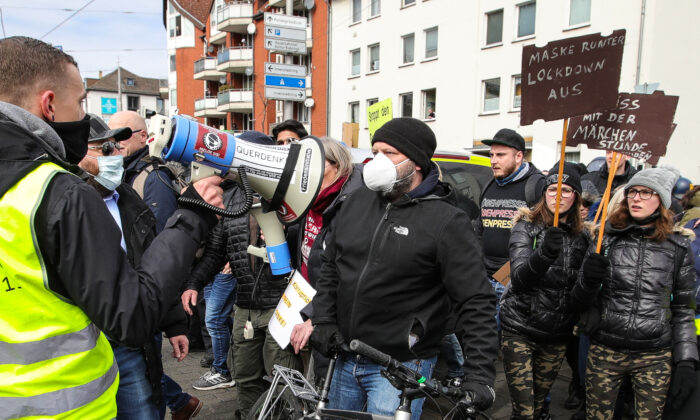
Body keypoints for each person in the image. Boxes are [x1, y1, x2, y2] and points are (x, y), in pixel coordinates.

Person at [0, 36, 223, 418]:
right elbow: (130, 316)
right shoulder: (56, 192)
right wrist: (192, 216)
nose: (85, 118)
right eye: (82, 101)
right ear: (49, 104)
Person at [310, 118, 498, 420]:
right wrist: (323, 320)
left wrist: (480, 376)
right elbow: (332, 266)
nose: (377, 160)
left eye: (390, 153)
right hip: (344, 356)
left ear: (417, 162)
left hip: (401, 367)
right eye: (375, 151)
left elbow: (476, 300)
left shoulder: (447, 221)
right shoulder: (355, 203)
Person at [78, 115, 201, 419]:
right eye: (104, 149)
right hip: (86, 343)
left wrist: (173, 325)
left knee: (142, 410)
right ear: (78, 154)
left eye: (117, 146)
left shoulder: (127, 198)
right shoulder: (71, 205)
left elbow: (156, 258)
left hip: (130, 342)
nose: (116, 155)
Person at [184, 131, 303, 419]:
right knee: (247, 378)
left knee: (283, 382)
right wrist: (194, 284)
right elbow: (215, 252)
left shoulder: (292, 195)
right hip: (246, 308)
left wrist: (290, 233)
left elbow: (311, 250)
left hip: (282, 307)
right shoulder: (231, 199)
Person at [573, 167, 698, 420]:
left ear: (661, 200)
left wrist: (686, 360)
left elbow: (684, 309)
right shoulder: (604, 238)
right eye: (632, 192)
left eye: (646, 193)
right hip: (606, 350)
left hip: (654, 355)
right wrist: (588, 279)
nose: (637, 198)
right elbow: (579, 298)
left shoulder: (678, 247)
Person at [500, 162, 590, 420]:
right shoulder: (525, 226)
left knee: (538, 408)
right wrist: (544, 254)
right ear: (544, 194)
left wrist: (592, 280)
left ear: (576, 197)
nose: (558, 196)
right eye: (553, 189)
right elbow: (519, 280)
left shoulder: (583, 238)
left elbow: (578, 297)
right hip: (520, 330)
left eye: (567, 190)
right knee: (525, 411)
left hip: (556, 335)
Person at [474, 128, 545, 327]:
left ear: (519, 156)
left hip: (513, 280)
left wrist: (510, 274)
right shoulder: (490, 185)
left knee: (504, 339)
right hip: (485, 277)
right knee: (484, 336)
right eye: (491, 155)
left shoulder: (536, 185)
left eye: (501, 155)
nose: (493, 160)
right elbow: (481, 228)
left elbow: (543, 237)